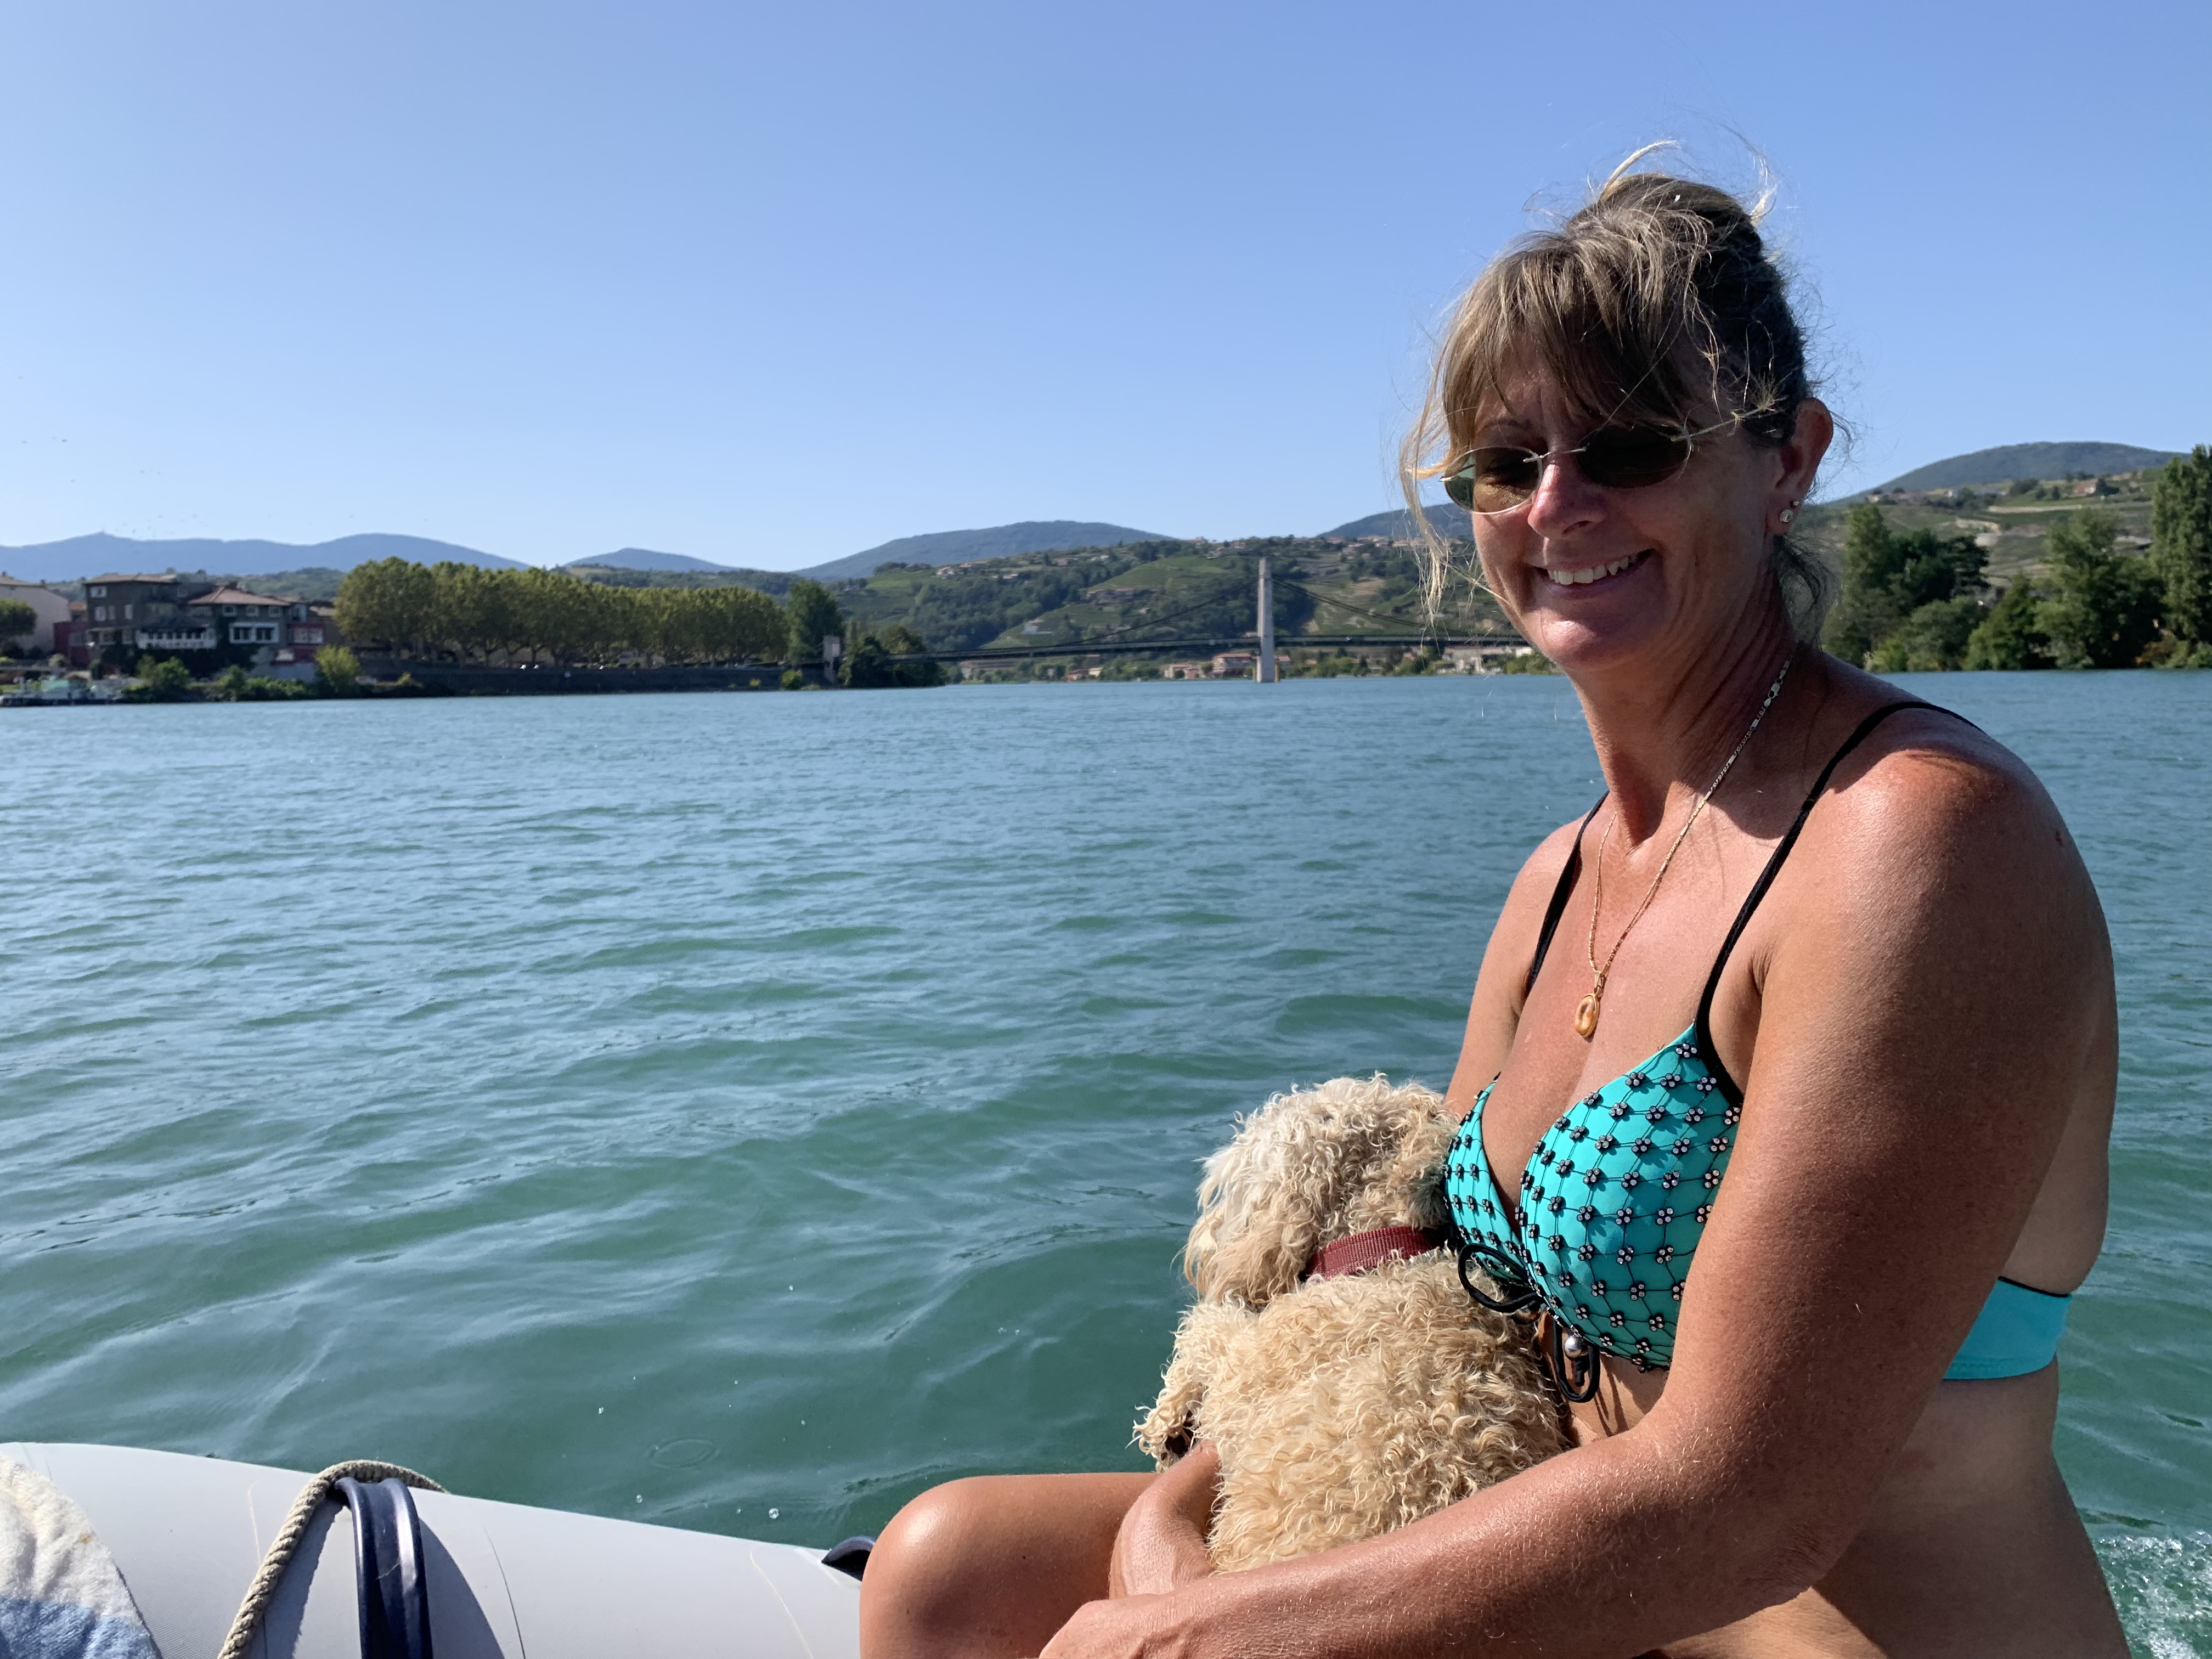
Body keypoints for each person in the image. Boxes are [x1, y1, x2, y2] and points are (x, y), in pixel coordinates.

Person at [857, 158, 2125, 1659]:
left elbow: (1750, 1505)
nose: (1557, 506)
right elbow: (1444, 1304)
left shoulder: (1920, 844)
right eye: (1504, 463)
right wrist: (1187, 1501)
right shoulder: (1556, 881)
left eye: (1632, 446)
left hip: (1811, 1620)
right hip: (1573, 1576)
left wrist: (1204, 1636)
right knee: (944, 1571)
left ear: (1788, 459)